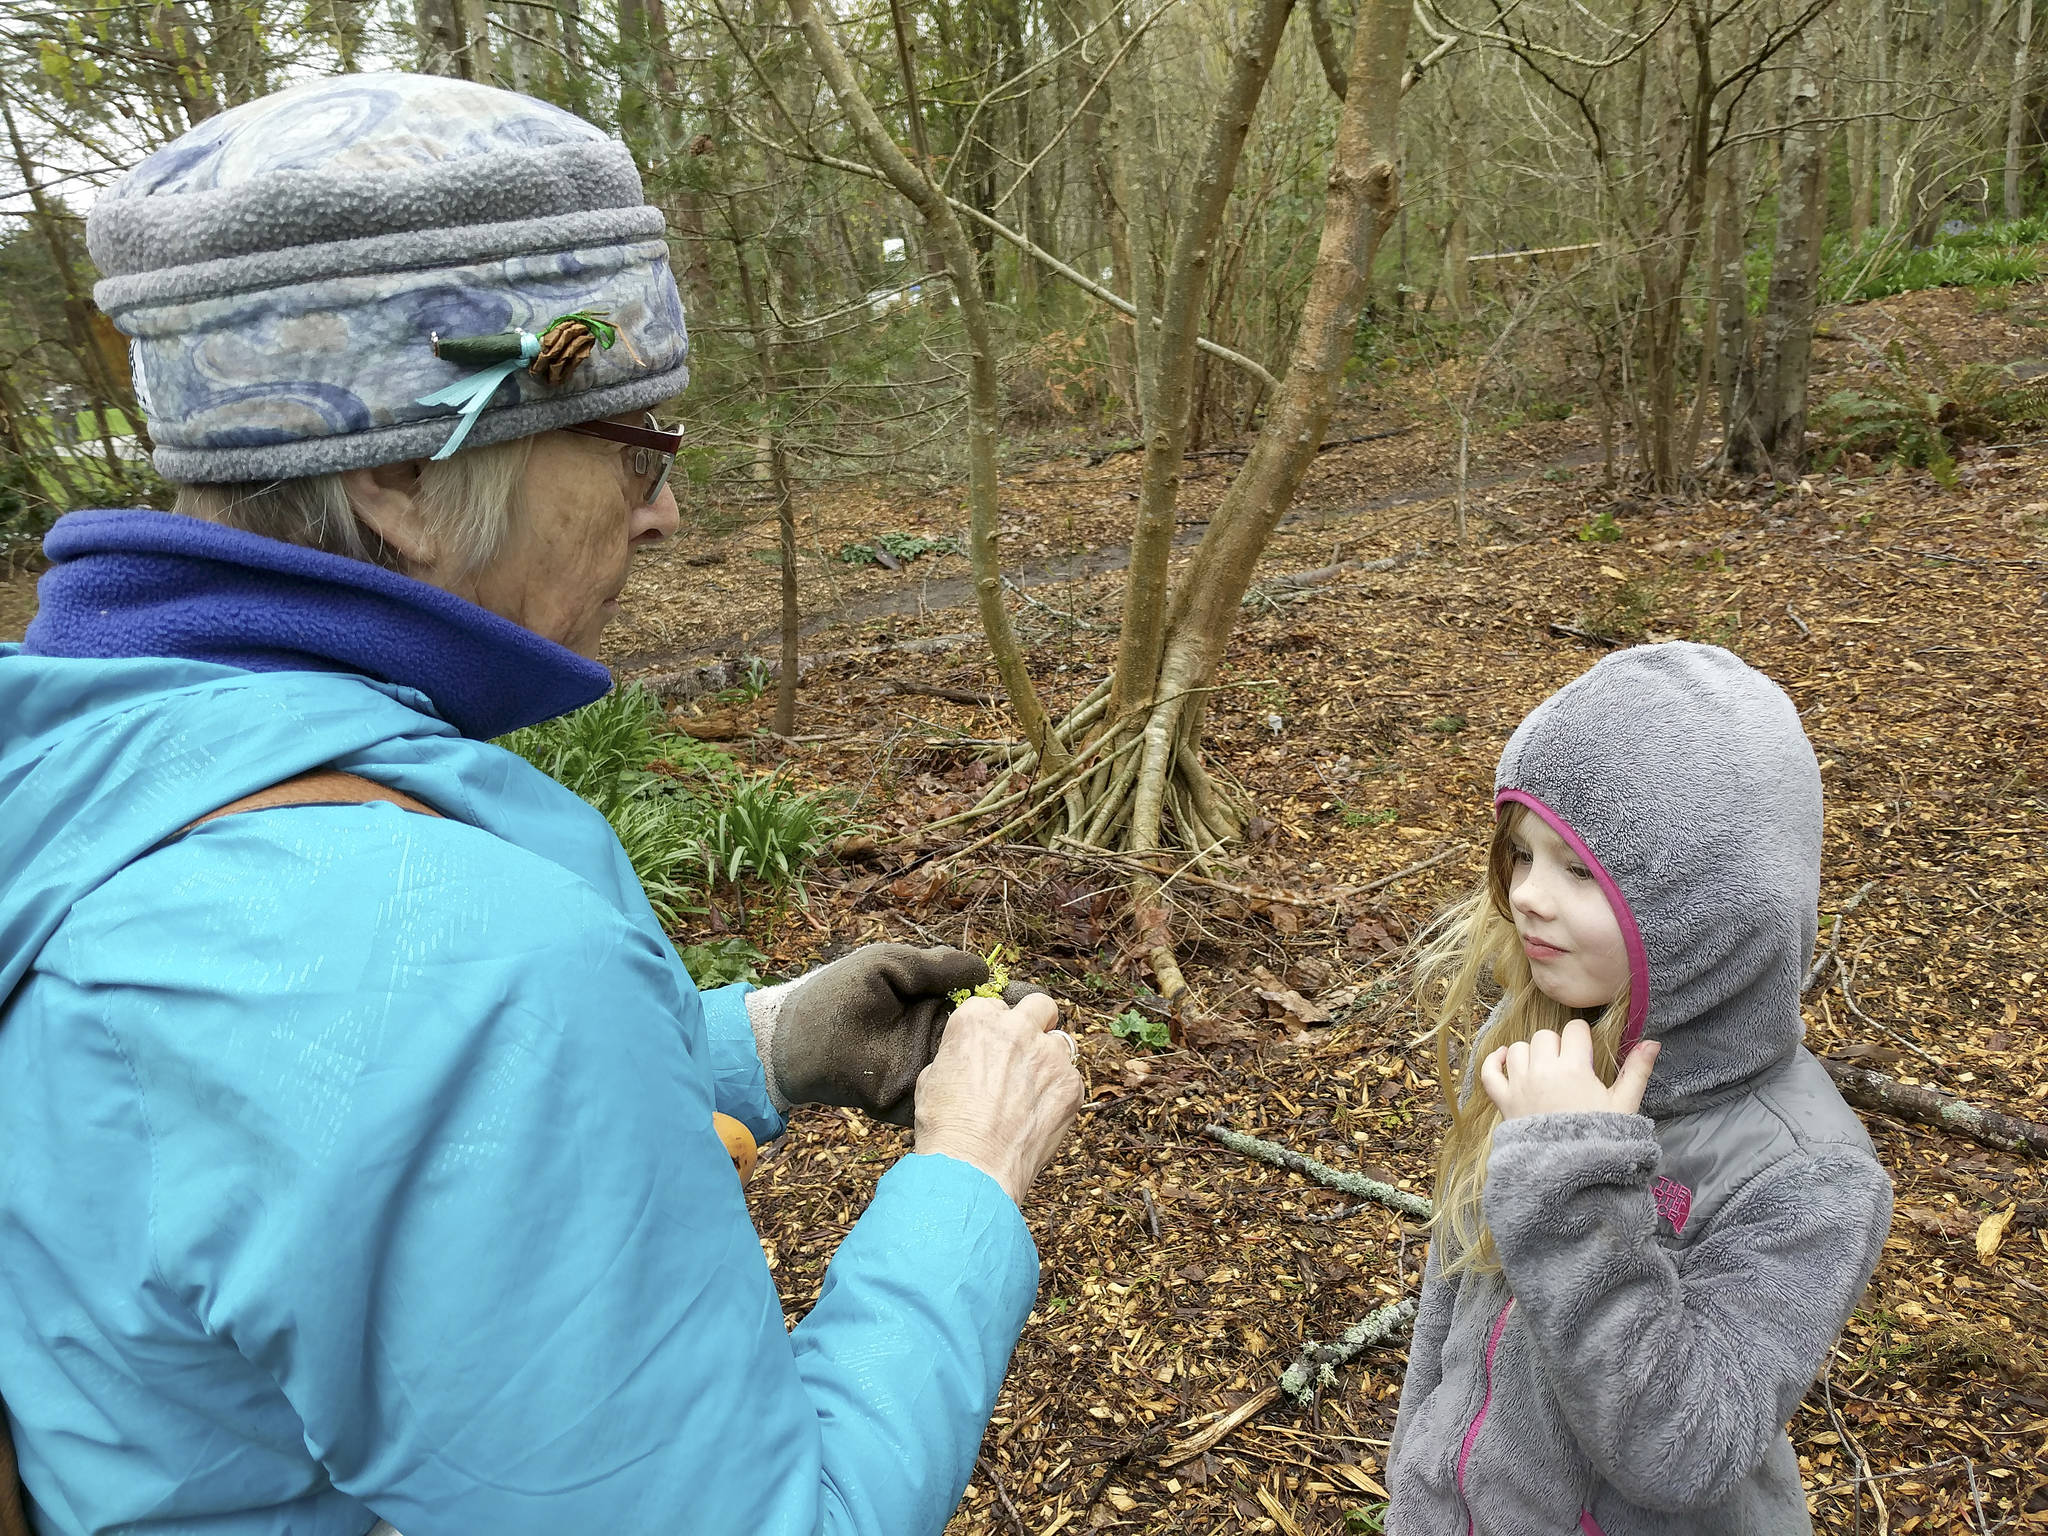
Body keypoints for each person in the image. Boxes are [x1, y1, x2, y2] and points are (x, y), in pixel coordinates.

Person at [0, 72, 1083, 1536]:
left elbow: (266, 1132)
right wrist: (969, 1181)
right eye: (636, 443)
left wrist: (745, 1043)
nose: (664, 510)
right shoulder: (445, 958)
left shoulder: (100, 775)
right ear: (396, 477)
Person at [1384, 642, 1894, 1535]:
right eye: (1522, 854)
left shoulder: (1809, 1176)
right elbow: (1449, 1311)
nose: (1530, 896)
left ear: (1712, 915)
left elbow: (1689, 1450)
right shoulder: (1534, 1046)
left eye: (1580, 871)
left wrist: (1574, 1187)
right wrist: (1416, 1489)